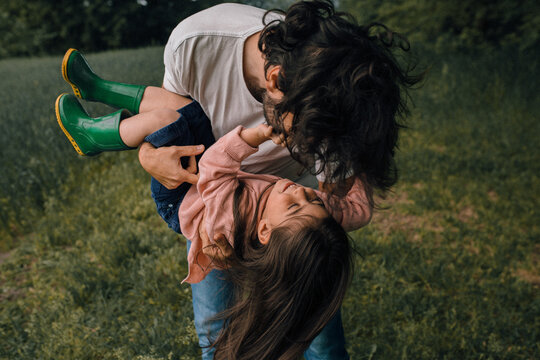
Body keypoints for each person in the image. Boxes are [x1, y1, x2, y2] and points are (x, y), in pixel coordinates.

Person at [58, 0, 422, 357]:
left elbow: (337, 205)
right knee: (215, 326)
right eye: (311, 138)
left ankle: (95, 115)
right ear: (276, 81)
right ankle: (97, 96)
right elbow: (172, 125)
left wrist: (357, 169)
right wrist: (148, 155)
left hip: (223, 204)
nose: (301, 189)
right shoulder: (196, 45)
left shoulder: (337, 105)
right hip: (209, 190)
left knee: (314, 317)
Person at [54, 81, 371, 358]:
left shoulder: (226, 218)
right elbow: (354, 210)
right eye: (312, 198)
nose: (302, 193)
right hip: (234, 212)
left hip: (182, 198)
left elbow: (215, 168)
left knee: (168, 120)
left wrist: (251, 138)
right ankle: (97, 89)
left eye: (295, 205)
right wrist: (361, 154)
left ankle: (94, 135)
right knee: (185, 110)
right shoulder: (310, 218)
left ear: (264, 230)